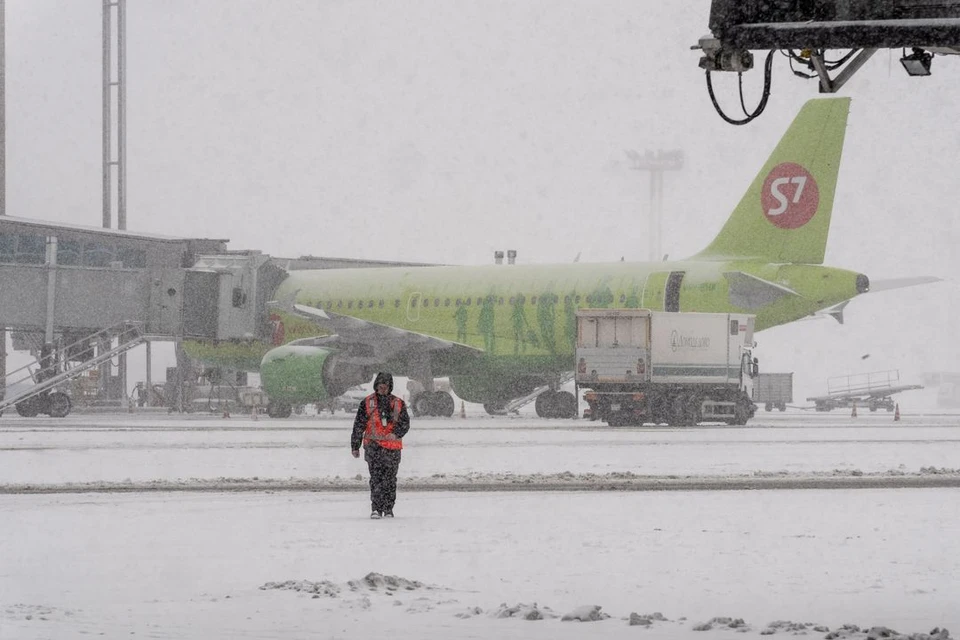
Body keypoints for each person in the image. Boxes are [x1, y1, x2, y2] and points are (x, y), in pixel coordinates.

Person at [351, 372, 410, 519]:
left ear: (390, 387)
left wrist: (396, 434)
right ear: (376, 386)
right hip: (373, 447)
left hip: (392, 448)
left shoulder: (398, 403)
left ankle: (388, 508)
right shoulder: (367, 402)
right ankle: (376, 508)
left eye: (385, 387)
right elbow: (359, 425)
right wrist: (355, 445)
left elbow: (405, 423)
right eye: (380, 386)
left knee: (390, 480)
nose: (382, 389)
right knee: (376, 479)